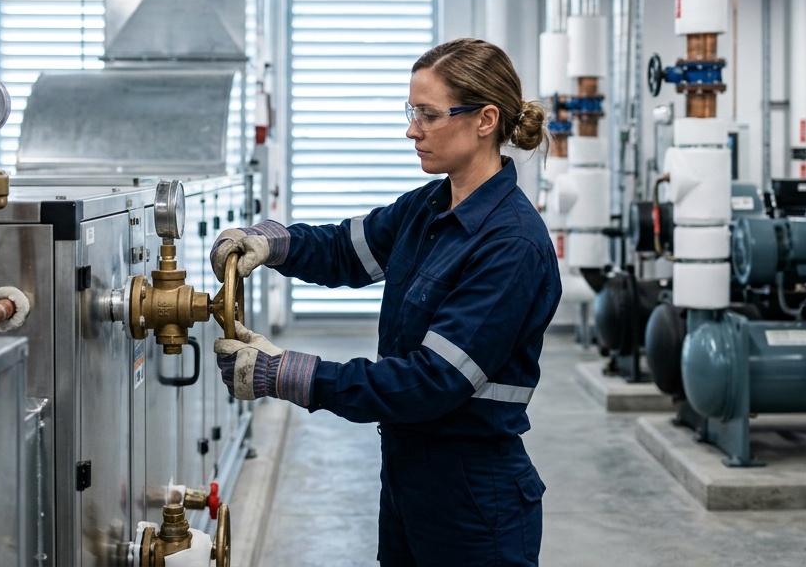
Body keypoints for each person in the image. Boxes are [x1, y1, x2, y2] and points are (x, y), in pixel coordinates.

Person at [210, 37, 562, 566]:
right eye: (411, 112)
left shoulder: (510, 244)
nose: (412, 130)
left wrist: (286, 374)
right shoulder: (429, 207)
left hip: (472, 496)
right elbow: (345, 251)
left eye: (428, 114)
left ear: (485, 120)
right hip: (407, 476)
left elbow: (431, 382)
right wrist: (271, 242)